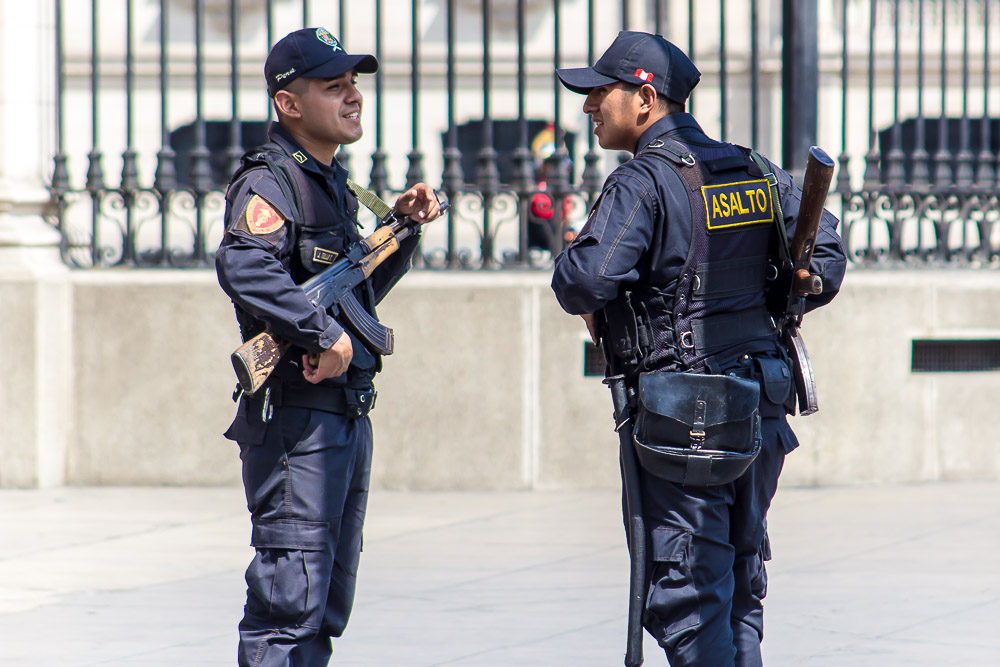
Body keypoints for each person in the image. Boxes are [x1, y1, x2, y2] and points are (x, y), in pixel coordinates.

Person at [551, 31, 846, 666]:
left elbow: (584, 280)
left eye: (601, 92)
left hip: (688, 422)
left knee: (688, 599)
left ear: (645, 98)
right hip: (760, 408)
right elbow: (825, 256)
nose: (589, 106)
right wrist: (790, 286)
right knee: (740, 588)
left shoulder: (645, 181)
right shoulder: (752, 168)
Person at [215, 27, 442, 666]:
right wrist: (321, 335)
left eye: (354, 85)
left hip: (342, 413)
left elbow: (352, 293)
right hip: (296, 417)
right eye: (333, 85)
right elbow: (245, 267)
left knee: (323, 604)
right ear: (289, 103)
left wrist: (402, 229)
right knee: (289, 602)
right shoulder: (271, 183)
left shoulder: (330, 182)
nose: (352, 97)